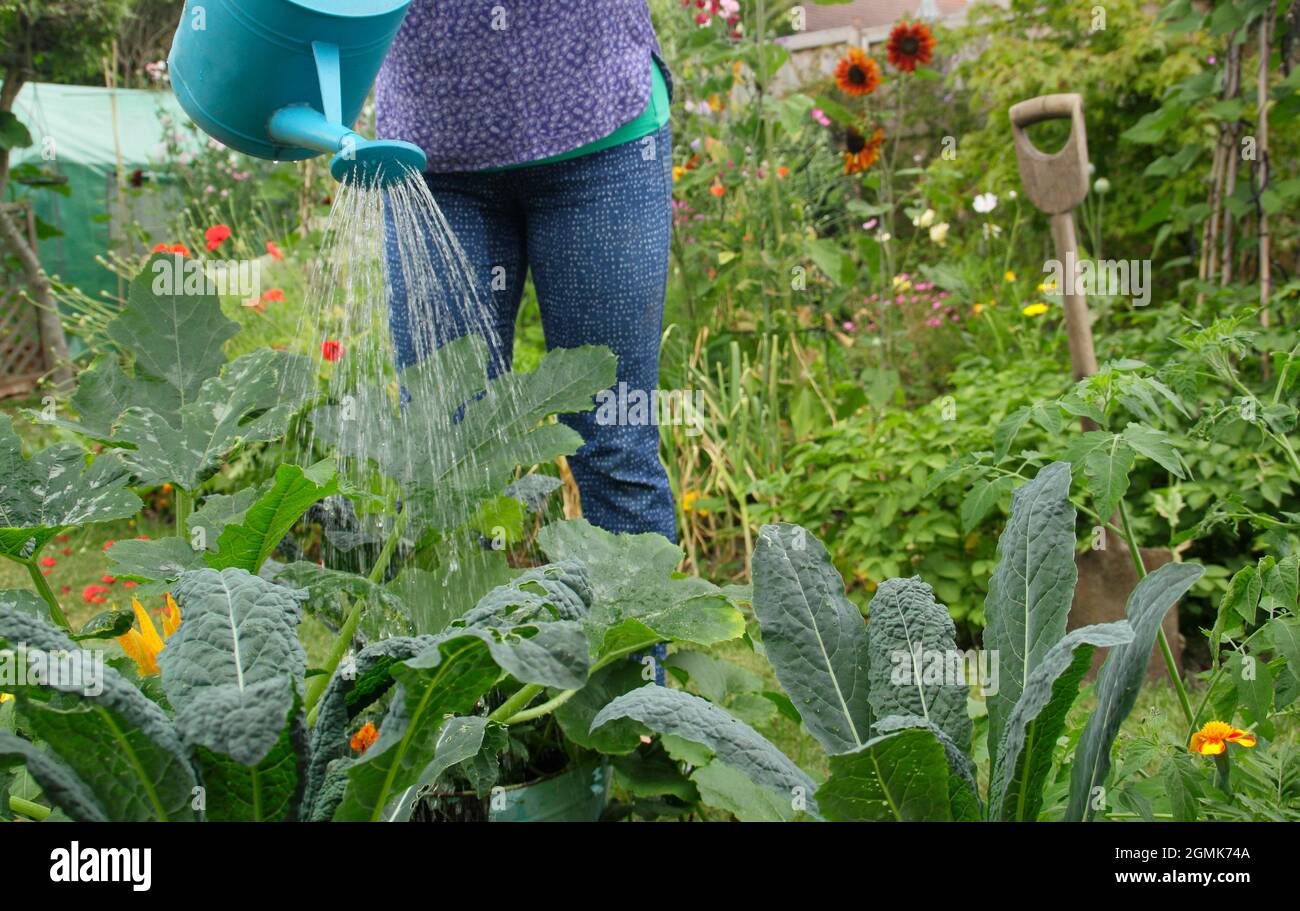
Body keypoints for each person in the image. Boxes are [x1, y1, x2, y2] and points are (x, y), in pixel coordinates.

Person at [377, 0, 677, 543]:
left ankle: (637, 628)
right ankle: (454, 632)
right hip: (429, 152)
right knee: (442, 454)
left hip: (601, 122)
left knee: (616, 445)